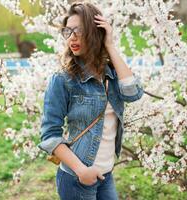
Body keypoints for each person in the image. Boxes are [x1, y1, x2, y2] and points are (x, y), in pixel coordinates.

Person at [39, 2, 143, 200]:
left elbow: (134, 93)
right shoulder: (63, 79)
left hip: (106, 175)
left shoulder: (111, 74)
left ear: (96, 33)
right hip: (77, 178)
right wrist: (81, 171)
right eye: (68, 31)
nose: (72, 37)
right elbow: (49, 135)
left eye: (79, 30)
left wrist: (110, 45)